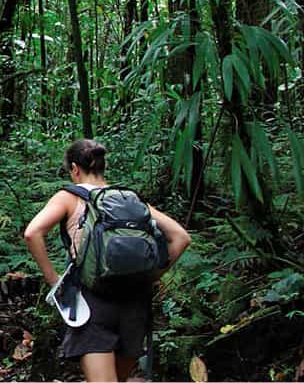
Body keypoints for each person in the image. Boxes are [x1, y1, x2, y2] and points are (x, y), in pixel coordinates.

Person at [23, 139, 192, 383]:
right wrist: (152, 276)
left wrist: (54, 281)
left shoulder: (69, 197)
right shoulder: (129, 200)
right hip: (135, 303)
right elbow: (181, 237)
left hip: (92, 302)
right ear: (103, 166)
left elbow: (32, 233)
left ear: (74, 168)